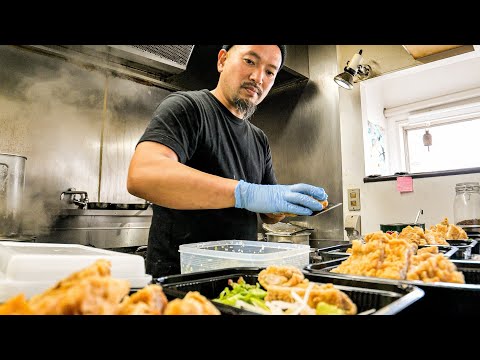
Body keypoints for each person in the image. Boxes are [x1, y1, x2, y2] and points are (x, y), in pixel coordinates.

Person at [127, 45, 328, 277]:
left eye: (270, 72)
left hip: (241, 278)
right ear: (222, 61)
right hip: (181, 280)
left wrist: (287, 202)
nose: (258, 77)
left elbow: (269, 214)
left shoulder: (259, 139)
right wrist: (246, 194)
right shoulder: (187, 108)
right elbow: (142, 175)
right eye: (250, 61)